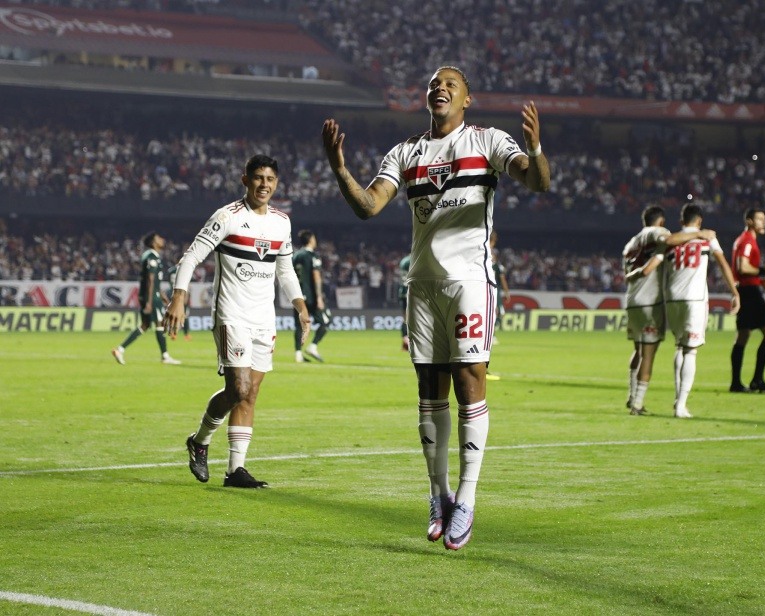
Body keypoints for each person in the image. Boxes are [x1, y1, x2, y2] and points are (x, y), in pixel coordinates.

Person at [322, 66, 550, 550]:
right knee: (430, 389)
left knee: (470, 380)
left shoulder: (488, 141)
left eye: (450, 83)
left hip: (469, 281)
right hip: (422, 284)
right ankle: (438, 494)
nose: (439, 88)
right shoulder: (405, 152)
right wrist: (340, 169)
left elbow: (537, 183)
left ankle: (466, 497)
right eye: (433, 84)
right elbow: (368, 205)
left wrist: (535, 150)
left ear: (467, 98)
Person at [163, 154, 310, 489]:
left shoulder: (281, 223)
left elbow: (285, 271)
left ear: (277, 183)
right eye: (258, 178)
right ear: (245, 180)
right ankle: (200, 440)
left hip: (264, 318)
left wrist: (300, 306)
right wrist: (179, 297)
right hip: (231, 315)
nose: (264, 185)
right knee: (238, 387)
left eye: (270, 179)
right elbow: (192, 256)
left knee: (251, 393)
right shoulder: (226, 217)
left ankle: (235, 470)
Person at [623, 205, 718, 416]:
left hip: (631, 299)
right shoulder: (659, 233)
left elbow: (632, 269)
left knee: (638, 350)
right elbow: (670, 241)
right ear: (661, 222)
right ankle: (637, 404)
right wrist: (700, 233)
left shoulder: (630, 243)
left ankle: (631, 397)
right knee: (648, 353)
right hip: (650, 301)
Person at [664, 203, 740, 418]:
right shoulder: (706, 237)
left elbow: (668, 243)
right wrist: (734, 292)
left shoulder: (674, 238)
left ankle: (678, 401)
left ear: (681, 221)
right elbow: (723, 263)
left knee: (680, 346)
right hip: (694, 299)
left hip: (673, 298)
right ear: (699, 221)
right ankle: (681, 405)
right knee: (691, 350)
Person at [111, 231, 181, 366]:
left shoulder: (151, 256)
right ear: (153, 242)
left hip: (151, 295)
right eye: (159, 238)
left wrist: (164, 298)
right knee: (160, 323)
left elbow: (154, 283)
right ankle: (165, 356)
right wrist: (149, 302)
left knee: (145, 325)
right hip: (150, 297)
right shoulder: (151, 257)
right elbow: (150, 280)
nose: (162, 239)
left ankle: (120, 349)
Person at [729, 208, 765, 393]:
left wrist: (761, 280)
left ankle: (737, 383)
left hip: (747, 290)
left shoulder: (744, 240)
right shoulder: (748, 240)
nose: (763, 222)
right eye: (759, 219)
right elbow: (743, 267)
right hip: (749, 292)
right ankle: (757, 380)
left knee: (743, 336)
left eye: (764, 219)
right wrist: (763, 271)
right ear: (749, 221)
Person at [292, 229, 331, 363]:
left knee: (298, 325)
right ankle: (313, 346)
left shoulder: (295, 255)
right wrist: (319, 297)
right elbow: (317, 277)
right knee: (326, 321)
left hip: (297, 295)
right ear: (311, 240)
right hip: (311, 296)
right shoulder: (313, 256)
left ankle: (298, 355)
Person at [489, 229, 510, 347]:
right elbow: (501, 277)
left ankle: (491, 334)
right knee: (497, 311)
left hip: (489, 286)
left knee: (496, 312)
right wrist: (507, 292)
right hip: (491, 287)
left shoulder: (488, 252)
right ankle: (492, 335)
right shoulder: (490, 254)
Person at [167, 260, 192, 341]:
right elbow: (187, 285)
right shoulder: (185, 270)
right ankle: (186, 335)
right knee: (185, 315)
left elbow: (169, 283)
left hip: (172, 294)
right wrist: (186, 297)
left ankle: (173, 333)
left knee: (173, 314)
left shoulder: (170, 271)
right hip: (182, 294)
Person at [398, 253, 411, 351]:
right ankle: (408, 340)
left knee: (405, 318)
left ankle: (405, 340)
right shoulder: (413, 260)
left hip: (402, 291)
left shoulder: (403, 261)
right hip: (412, 292)